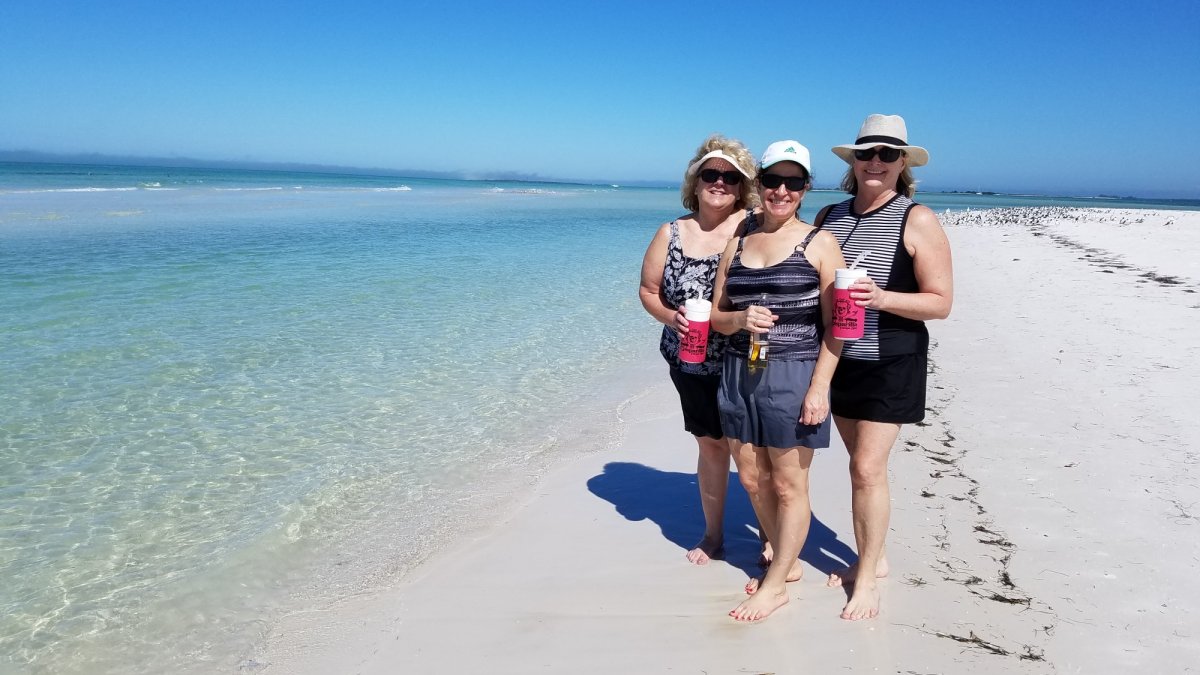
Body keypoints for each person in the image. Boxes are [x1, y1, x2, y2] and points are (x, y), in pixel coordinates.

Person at [814, 114, 954, 620]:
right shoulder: (828, 215)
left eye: (887, 154)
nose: (875, 161)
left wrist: (882, 297)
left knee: (866, 468)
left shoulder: (917, 219)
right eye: (866, 153)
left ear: (901, 163)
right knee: (861, 467)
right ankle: (876, 555)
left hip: (891, 361)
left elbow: (940, 303)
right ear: (853, 161)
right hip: (836, 360)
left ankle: (867, 576)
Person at [710, 141, 846, 621]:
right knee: (751, 477)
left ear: (806, 188)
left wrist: (819, 387)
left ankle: (777, 581)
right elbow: (717, 316)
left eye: (793, 182)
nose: (781, 191)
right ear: (759, 184)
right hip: (738, 370)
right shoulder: (738, 243)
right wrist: (739, 319)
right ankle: (786, 560)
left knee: (788, 483)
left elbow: (838, 327)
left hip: (794, 371)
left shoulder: (820, 243)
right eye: (772, 180)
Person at [638, 134, 760, 565]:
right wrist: (669, 317)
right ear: (696, 179)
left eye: (731, 176)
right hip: (688, 362)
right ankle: (713, 535)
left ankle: (771, 536)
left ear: (743, 186)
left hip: (745, 360)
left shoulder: (756, 227)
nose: (719, 182)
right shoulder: (671, 232)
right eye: (711, 173)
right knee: (711, 447)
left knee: (751, 453)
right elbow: (648, 291)